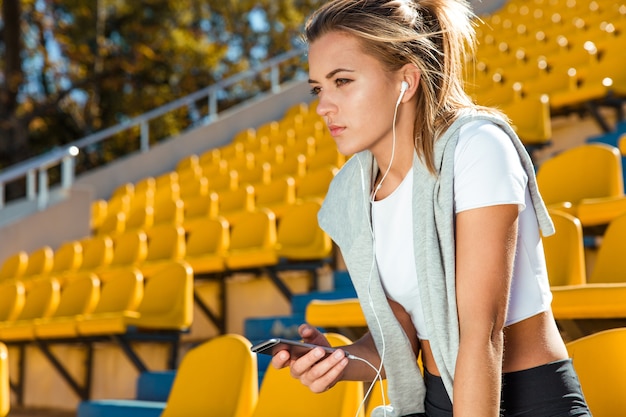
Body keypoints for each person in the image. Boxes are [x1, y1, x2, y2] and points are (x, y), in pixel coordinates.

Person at [271, 0, 592, 416]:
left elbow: (481, 335)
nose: (323, 107)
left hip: (529, 400)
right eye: (318, 88)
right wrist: (339, 361)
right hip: (436, 399)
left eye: (343, 81)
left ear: (406, 80)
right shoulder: (352, 192)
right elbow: (403, 332)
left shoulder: (476, 149)